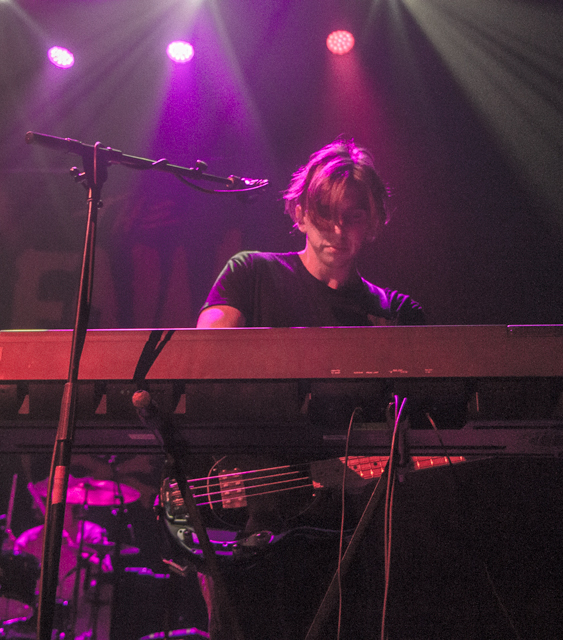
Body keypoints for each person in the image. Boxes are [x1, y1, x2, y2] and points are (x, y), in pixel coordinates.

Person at [194, 139, 426, 639]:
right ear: (299, 212)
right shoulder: (250, 273)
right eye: (325, 215)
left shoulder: (396, 313)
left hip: (351, 537)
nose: (339, 232)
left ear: (375, 221)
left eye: (354, 217)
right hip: (256, 525)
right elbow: (201, 371)